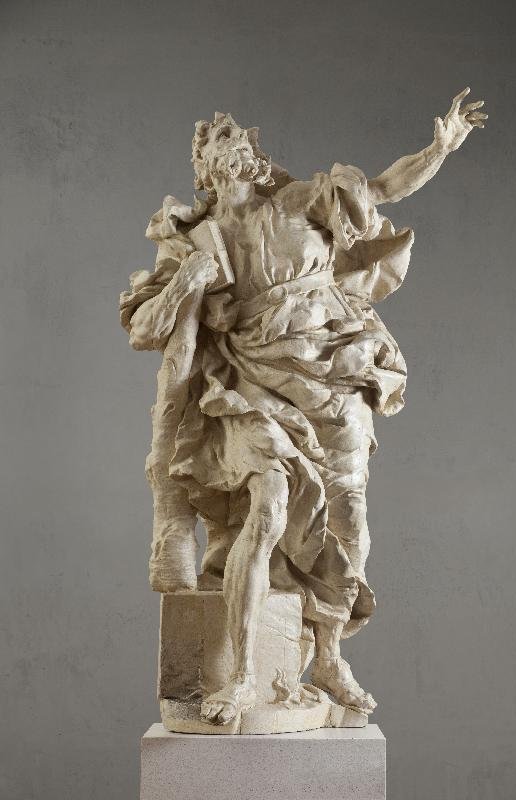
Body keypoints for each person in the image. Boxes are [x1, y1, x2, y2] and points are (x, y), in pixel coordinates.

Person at [120, 89, 486, 724]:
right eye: (217, 135)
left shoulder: (297, 202)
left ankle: (328, 656)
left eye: (239, 133)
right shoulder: (195, 239)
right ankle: (244, 674)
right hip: (251, 383)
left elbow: (383, 187)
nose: (233, 138)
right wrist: (187, 281)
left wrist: (439, 148)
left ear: (255, 155)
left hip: (334, 372)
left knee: (349, 519)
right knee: (268, 509)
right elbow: (145, 326)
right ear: (203, 165)